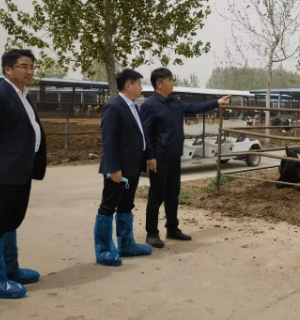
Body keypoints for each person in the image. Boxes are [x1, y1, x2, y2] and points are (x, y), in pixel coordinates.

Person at [0, 49, 47, 299]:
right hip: (2, 173)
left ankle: (10, 270)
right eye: (24, 66)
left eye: (32, 66)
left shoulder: (22, 95)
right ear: (8, 69)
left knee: (11, 221)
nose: (29, 71)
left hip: (21, 171)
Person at [140, 68, 229, 248]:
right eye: (169, 80)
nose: (172, 83)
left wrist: (216, 102)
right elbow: (146, 134)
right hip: (159, 158)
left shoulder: (174, 102)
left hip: (174, 156)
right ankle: (152, 233)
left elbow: (194, 107)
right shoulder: (150, 105)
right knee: (157, 194)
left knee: (173, 193)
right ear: (159, 84)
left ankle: (172, 228)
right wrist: (150, 157)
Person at [93, 69, 153, 266]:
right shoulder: (113, 107)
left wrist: (147, 156)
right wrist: (114, 168)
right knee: (108, 207)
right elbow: (108, 141)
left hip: (132, 167)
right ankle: (104, 251)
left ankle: (126, 244)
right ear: (129, 85)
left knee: (126, 205)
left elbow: (140, 135)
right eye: (139, 83)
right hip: (118, 169)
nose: (141, 87)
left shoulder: (133, 107)